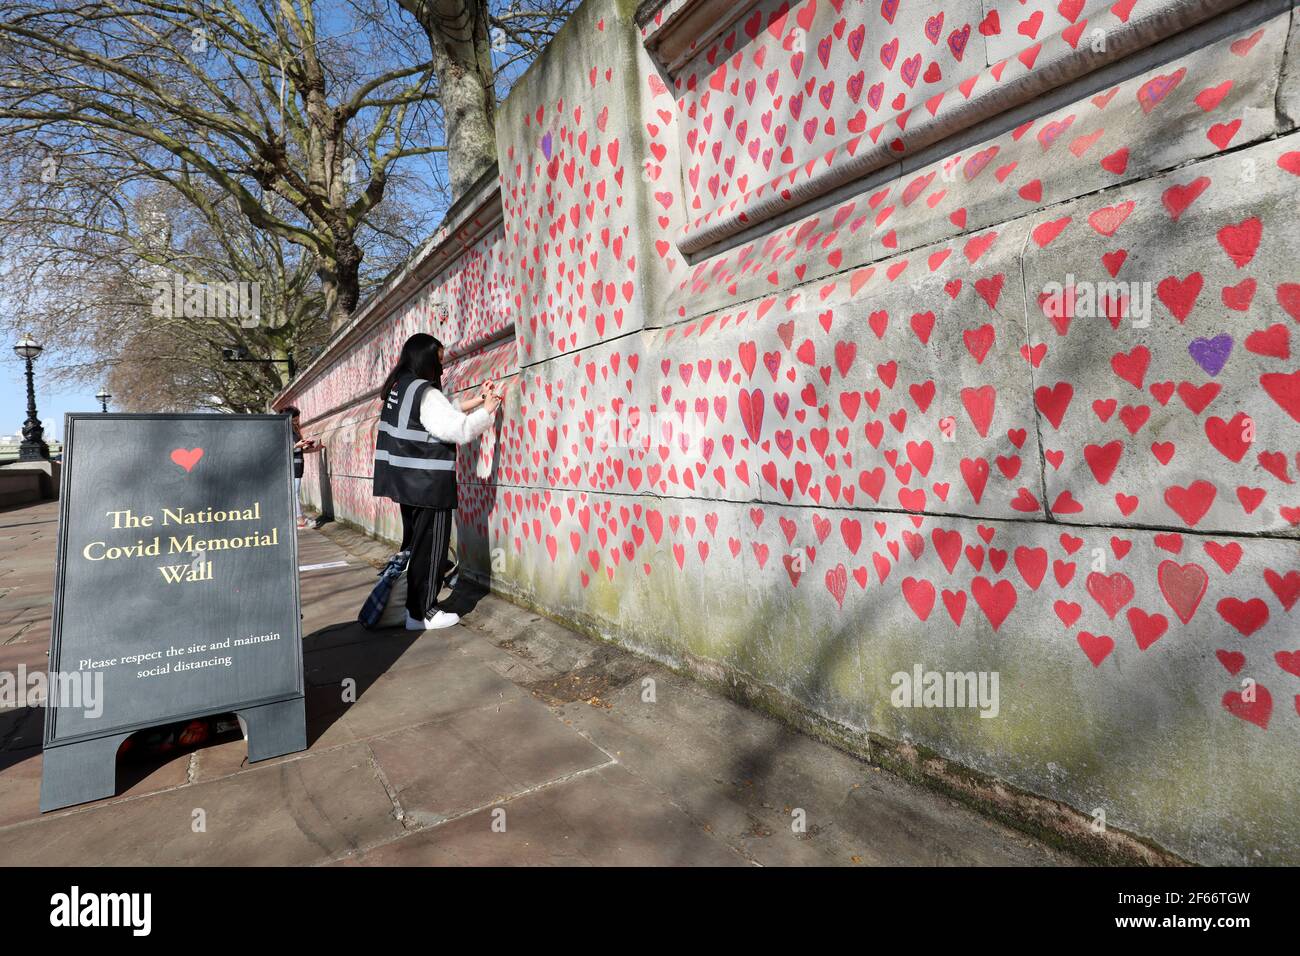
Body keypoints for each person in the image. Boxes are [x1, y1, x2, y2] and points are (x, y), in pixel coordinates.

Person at [373, 332, 502, 630]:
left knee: (417, 547)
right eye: (439, 361)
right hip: (429, 483)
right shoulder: (425, 391)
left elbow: (435, 414)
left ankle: (413, 612)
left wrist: (477, 401)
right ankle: (423, 613)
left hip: (405, 482)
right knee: (432, 549)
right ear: (426, 359)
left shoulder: (400, 386)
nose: (442, 369)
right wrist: (488, 411)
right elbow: (457, 430)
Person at [285, 406, 322, 529]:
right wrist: (297, 445)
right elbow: (283, 450)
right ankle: (300, 520)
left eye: (297, 419)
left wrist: (312, 448)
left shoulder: (294, 430)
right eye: (295, 419)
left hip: (298, 464)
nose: (297, 421)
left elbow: (298, 450)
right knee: (294, 493)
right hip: (292, 465)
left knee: (295, 492)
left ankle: (299, 518)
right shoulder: (285, 430)